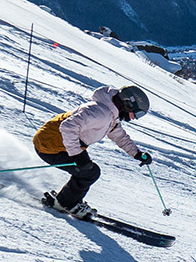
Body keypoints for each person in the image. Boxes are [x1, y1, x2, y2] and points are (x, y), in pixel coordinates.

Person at [33, 84, 153, 219]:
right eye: (137, 114)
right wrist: (77, 155)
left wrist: (137, 153)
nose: (134, 118)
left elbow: (119, 136)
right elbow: (68, 127)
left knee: (87, 170)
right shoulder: (100, 114)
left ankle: (68, 200)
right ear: (128, 105)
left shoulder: (111, 115)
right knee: (89, 172)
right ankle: (64, 203)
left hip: (60, 144)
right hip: (50, 145)